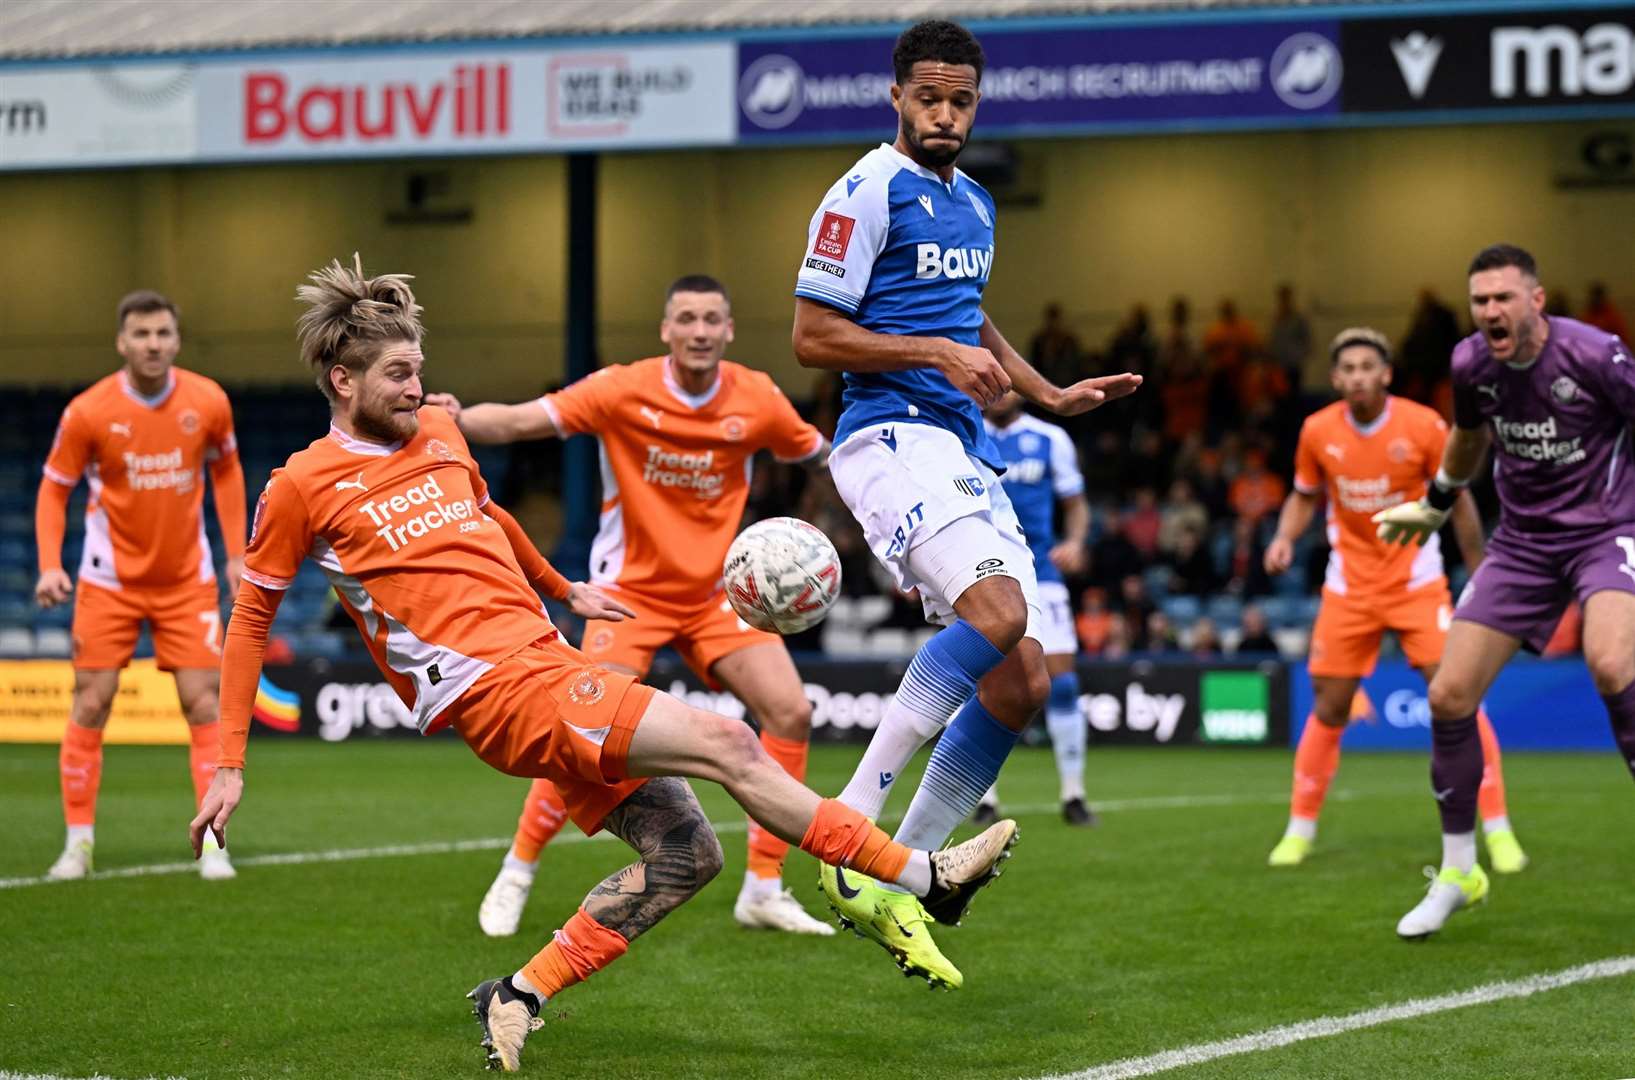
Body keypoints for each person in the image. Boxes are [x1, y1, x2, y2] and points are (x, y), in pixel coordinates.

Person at [189, 257, 1021, 1071]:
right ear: (342, 380)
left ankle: (516, 993)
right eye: (400, 375)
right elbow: (251, 617)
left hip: (542, 659)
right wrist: (229, 763)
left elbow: (490, 519)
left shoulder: (437, 433)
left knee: (688, 855)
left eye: (419, 371)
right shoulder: (302, 485)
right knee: (730, 745)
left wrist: (562, 588)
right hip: (495, 691)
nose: (418, 390)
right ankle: (918, 876)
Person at [789, 19, 1140, 988]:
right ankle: (848, 832)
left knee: (1021, 679)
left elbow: (970, 314)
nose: (946, 114)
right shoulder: (864, 191)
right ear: (898, 97)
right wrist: (935, 356)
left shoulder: (975, 201)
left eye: (962, 101)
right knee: (1001, 615)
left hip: (963, 448)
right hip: (889, 436)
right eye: (930, 98)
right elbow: (813, 336)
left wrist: (1047, 393)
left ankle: (902, 878)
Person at [426, 275, 835, 938]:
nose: (698, 331)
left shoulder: (756, 397)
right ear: (665, 330)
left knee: (789, 710)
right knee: (579, 730)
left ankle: (762, 886)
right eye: (686, 319)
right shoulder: (622, 388)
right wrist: (453, 418)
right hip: (627, 595)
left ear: (728, 330)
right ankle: (519, 868)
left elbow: (822, 456)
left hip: (715, 595)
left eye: (710, 319)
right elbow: (524, 420)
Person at [1374, 244, 1635, 940]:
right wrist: (1433, 504)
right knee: (1447, 695)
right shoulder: (1468, 364)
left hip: (1607, 530)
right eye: (1480, 300)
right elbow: (1467, 438)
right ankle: (1460, 871)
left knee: (1611, 664)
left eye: (1503, 298)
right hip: (1521, 543)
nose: (1490, 310)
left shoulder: (1597, 356)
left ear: (1536, 300)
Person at [1263, 326, 1525, 873]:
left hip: (1417, 584)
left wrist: (1480, 571)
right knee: (1330, 705)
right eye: (1348, 369)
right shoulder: (1316, 431)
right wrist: (1286, 537)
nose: (1358, 377)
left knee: (1456, 697)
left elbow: (1460, 501)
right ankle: (1299, 829)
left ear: (1386, 374)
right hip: (1348, 588)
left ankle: (1498, 829)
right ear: (1335, 379)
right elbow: (1304, 495)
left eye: (1368, 367)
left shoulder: (1424, 426)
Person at [36, 290, 245, 882]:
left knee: (203, 702)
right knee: (92, 702)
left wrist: (235, 555)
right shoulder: (88, 411)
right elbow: (55, 488)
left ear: (176, 341)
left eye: (162, 334)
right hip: (109, 582)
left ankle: (213, 846)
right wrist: (51, 563)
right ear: (122, 342)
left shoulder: (208, 401)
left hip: (187, 579)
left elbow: (227, 471)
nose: (152, 344)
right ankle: (78, 844)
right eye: (141, 334)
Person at [972, 391, 1095, 827]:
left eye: (1010, 383)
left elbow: (1075, 503)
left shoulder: (1050, 438)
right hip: (981, 573)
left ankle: (1074, 794)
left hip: (1042, 572)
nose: (1002, 392)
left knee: (1061, 684)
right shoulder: (962, 431)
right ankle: (984, 797)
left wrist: (1076, 542)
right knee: (985, 687)